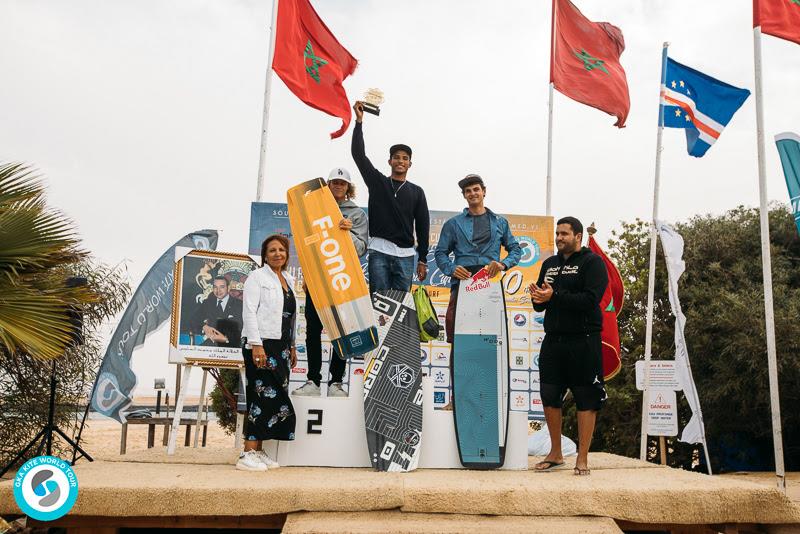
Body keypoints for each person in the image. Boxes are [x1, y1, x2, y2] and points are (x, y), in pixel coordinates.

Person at [528, 216, 608, 476]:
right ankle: (555, 453)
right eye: (557, 234)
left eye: (564, 234)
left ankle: (582, 458)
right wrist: (538, 297)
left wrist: (555, 296)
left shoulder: (592, 262)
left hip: (584, 340)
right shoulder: (549, 264)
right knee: (549, 395)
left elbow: (590, 299)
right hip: (553, 340)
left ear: (578, 236)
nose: (559, 238)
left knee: (586, 398)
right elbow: (541, 303)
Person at [293, 167, 368, 398]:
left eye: (342, 183)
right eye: (334, 182)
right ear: (327, 185)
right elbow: (307, 245)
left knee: (342, 331)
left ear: (348, 187)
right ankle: (312, 381)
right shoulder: (313, 210)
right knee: (313, 331)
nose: (338, 186)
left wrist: (347, 232)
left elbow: (361, 249)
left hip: (342, 279)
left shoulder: (356, 215)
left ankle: (336, 382)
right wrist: (306, 274)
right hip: (317, 279)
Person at [351, 101, 430, 291]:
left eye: (405, 158)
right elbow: (359, 155)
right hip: (379, 251)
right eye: (396, 157)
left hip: (405, 255)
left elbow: (422, 227)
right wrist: (359, 122)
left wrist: (423, 259)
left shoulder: (417, 191)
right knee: (379, 304)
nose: (400, 161)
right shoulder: (377, 182)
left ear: (410, 164)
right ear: (390, 161)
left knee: (401, 307)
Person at [434, 174, 521, 345]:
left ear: (484, 192)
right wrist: (451, 269)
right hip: (463, 281)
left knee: (491, 336)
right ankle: (458, 372)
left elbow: (516, 249)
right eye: (468, 191)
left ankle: (488, 371)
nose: (472, 193)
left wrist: (503, 264)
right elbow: (440, 253)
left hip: (490, 282)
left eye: (476, 189)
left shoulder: (500, 222)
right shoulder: (453, 224)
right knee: (459, 337)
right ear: (464, 195)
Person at [238, 234, 298, 471]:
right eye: (272, 250)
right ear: (265, 255)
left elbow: (292, 318)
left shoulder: (289, 280)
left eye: (281, 250)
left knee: (274, 397)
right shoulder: (256, 277)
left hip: (281, 346)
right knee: (260, 396)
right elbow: (249, 311)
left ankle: (257, 450)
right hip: (261, 343)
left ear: (286, 254)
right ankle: (247, 454)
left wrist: (292, 345)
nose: (277, 254)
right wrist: (256, 344)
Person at [190, 276, 243, 347]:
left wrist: (226, 339)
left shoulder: (239, 305)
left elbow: (243, 327)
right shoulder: (208, 303)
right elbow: (193, 320)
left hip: (233, 345)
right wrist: (204, 328)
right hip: (211, 344)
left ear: (228, 288)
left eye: (222, 287)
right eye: (215, 287)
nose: (218, 290)